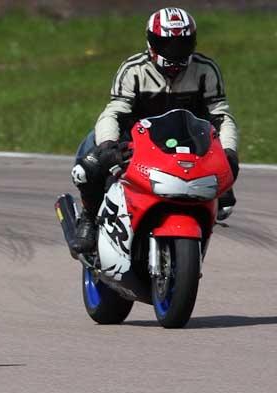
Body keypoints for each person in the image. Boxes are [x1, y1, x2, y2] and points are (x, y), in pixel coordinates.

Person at [71, 7, 239, 253]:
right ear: (151, 43)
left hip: (190, 144)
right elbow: (114, 112)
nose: (175, 52)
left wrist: (229, 152)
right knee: (89, 161)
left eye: (183, 44)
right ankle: (89, 218)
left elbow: (221, 115)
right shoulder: (133, 69)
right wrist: (107, 145)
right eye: (167, 44)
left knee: (225, 198)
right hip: (137, 142)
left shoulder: (205, 70)